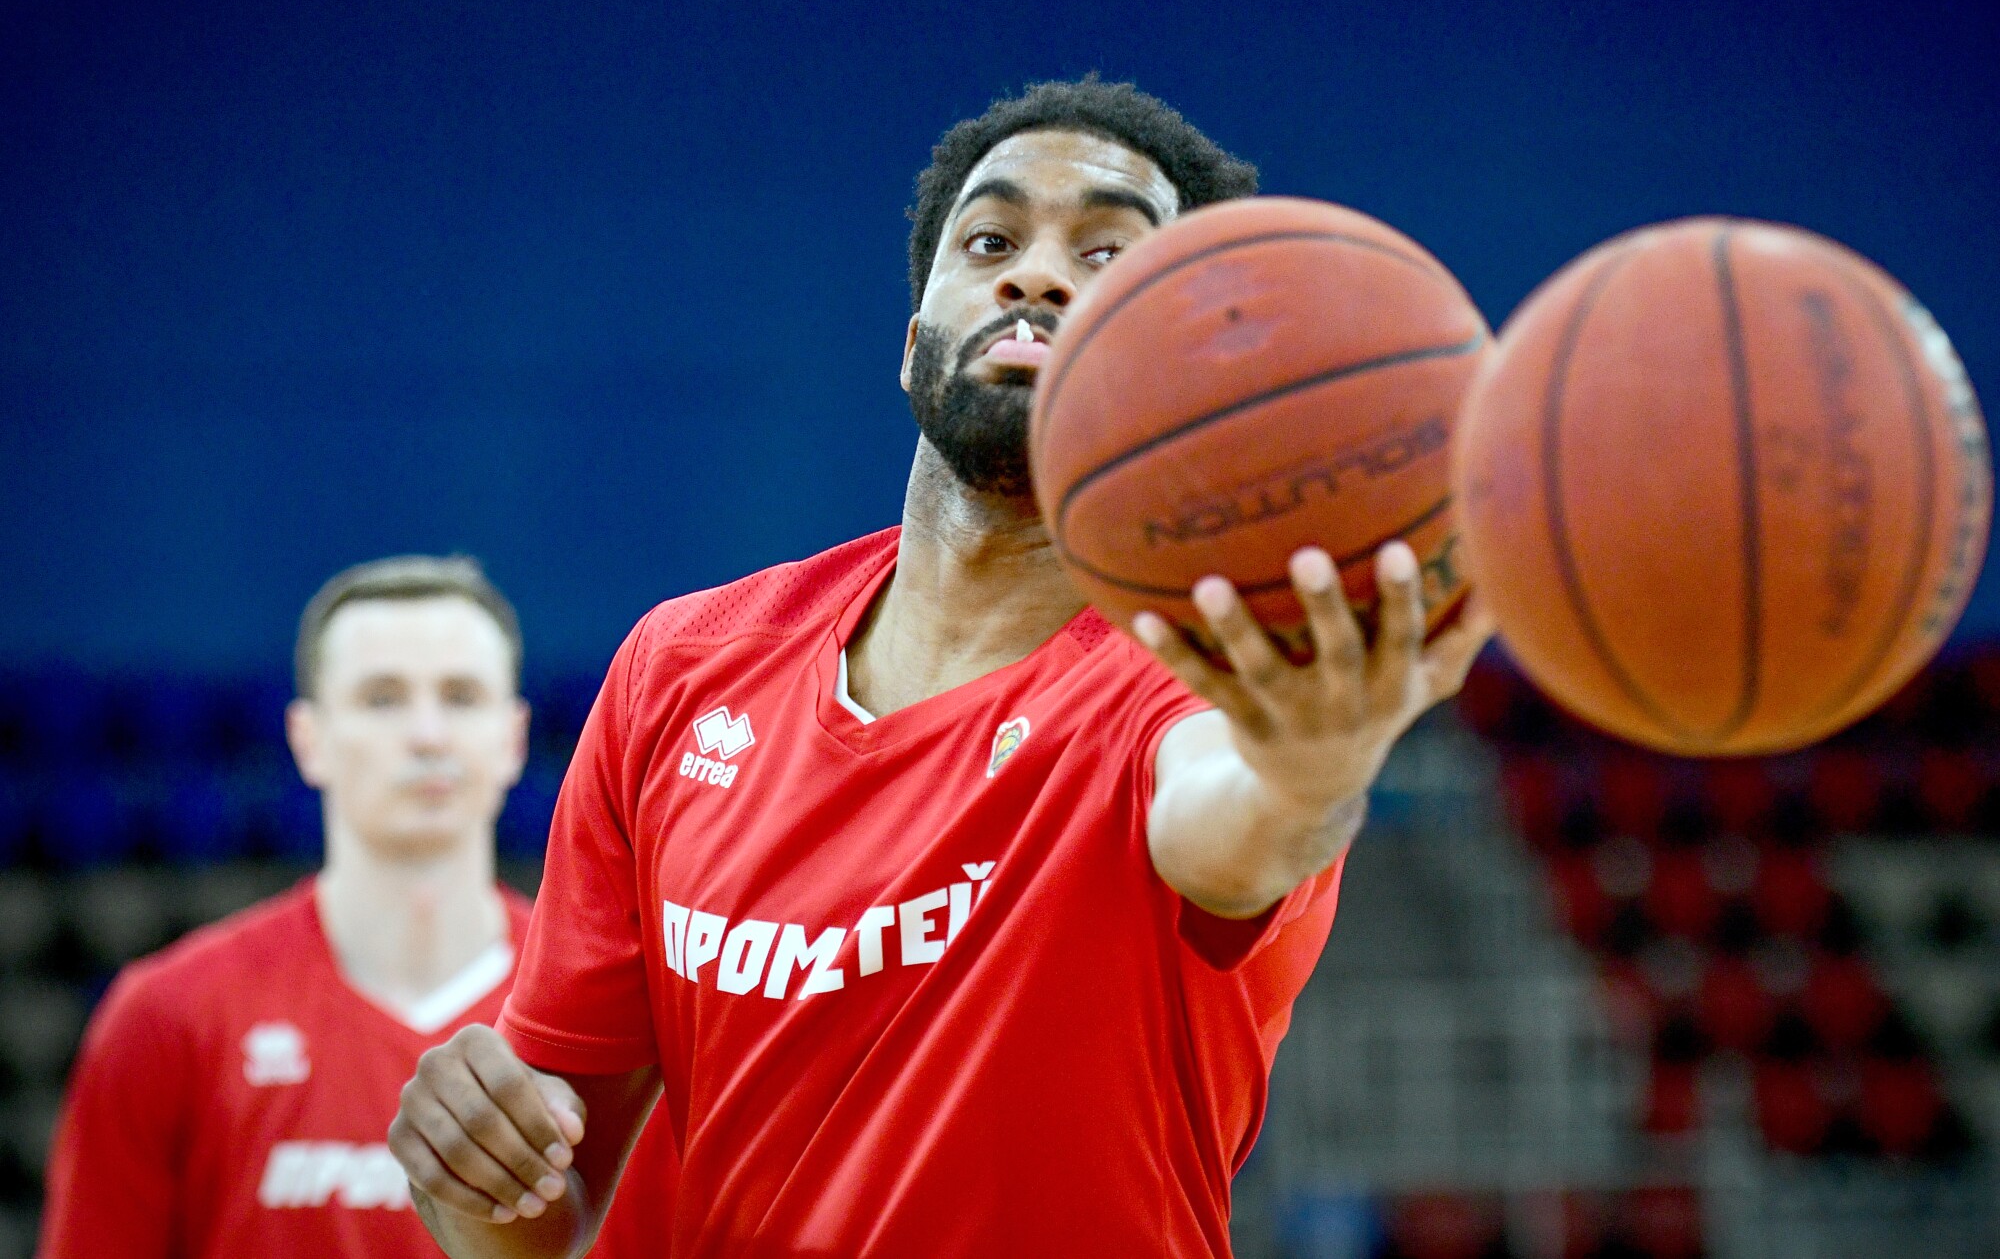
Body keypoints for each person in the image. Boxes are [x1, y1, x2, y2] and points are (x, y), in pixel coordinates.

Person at [389, 78, 1492, 1257]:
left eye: (1110, 253)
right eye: (990, 240)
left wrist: (1314, 766)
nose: (1036, 275)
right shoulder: (681, 668)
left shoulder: (1193, 685)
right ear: (914, 340)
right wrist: (470, 1161)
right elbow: (538, 1223)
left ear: (1192, 373)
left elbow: (1233, 821)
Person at [40, 556, 671, 1257]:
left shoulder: (619, 1035)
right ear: (307, 737)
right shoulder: (165, 1015)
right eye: (382, 698)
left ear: (514, 737)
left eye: (461, 696)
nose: (428, 735)